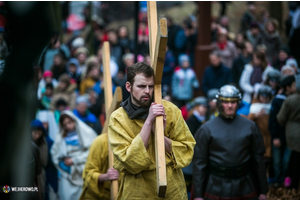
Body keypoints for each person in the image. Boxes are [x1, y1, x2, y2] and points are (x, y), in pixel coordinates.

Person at [108, 62, 196, 199]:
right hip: (138, 189)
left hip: (171, 187)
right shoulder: (118, 118)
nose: (147, 91)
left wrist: (159, 133)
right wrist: (149, 122)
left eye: (151, 86)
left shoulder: (170, 110)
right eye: (141, 86)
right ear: (129, 87)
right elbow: (130, 160)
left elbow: (186, 150)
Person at [193, 85, 268, 200]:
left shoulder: (250, 126)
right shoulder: (206, 129)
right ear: (219, 103)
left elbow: (258, 160)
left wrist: (263, 191)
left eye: (233, 102)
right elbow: (199, 164)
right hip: (215, 185)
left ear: (238, 103)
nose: (229, 106)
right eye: (225, 102)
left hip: (245, 185)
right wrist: (198, 195)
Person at [51, 110, 97, 200]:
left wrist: (75, 160)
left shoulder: (86, 132)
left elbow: (93, 151)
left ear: (74, 120)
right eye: (65, 125)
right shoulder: (60, 137)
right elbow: (55, 154)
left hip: (84, 169)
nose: (68, 126)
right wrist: (63, 163)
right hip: (68, 173)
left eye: (69, 122)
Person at [269, 75, 296, 186]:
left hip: (290, 136)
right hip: (279, 135)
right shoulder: (278, 100)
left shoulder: (296, 99)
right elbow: (273, 120)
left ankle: (285, 179)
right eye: (294, 85)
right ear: (288, 87)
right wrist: (275, 136)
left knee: (287, 161)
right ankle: (278, 180)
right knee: (277, 161)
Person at [80, 132, 120, 200]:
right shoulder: (100, 141)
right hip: (96, 196)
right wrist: (106, 176)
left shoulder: (134, 142)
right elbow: (88, 173)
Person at [276, 77, 300, 190]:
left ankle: (290, 183)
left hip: (291, 132)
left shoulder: (290, 100)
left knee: (291, 159)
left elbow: (280, 118)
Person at [248, 85, 273, 183]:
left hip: (269, 136)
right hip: (259, 136)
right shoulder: (254, 107)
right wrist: (256, 115)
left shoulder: (271, 106)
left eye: (267, 97)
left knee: (269, 159)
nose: (265, 99)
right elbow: (249, 121)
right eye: (263, 96)